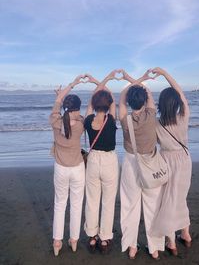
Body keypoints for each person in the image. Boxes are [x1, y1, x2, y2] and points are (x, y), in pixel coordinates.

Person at [118, 69, 165, 260]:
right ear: (145, 101)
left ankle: (132, 246)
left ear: (129, 102)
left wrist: (127, 81)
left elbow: (121, 100)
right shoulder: (151, 114)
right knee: (152, 206)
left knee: (130, 206)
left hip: (131, 162)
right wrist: (142, 78)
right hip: (150, 163)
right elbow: (149, 95)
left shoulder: (125, 119)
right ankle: (154, 248)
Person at [149, 67, 192, 256]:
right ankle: (186, 234)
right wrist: (165, 74)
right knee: (181, 197)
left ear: (161, 104)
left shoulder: (157, 123)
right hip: (184, 159)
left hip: (166, 159)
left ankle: (171, 242)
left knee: (168, 199)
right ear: (176, 103)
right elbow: (180, 93)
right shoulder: (183, 117)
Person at [83, 70, 119, 254]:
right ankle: (104, 238)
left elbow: (91, 99)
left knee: (92, 199)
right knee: (108, 201)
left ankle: (92, 236)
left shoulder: (88, 119)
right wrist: (109, 79)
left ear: (95, 104)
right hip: (109, 160)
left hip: (94, 159)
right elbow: (111, 96)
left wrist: (96, 81)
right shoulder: (111, 119)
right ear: (109, 104)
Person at [50, 76, 85, 256]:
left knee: (59, 204)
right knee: (76, 205)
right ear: (77, 109)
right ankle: (73, 240)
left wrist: (68, 89)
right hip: (77, 168)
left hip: (61, 168)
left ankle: (57, 241)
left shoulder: (55, 121)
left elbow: (58, 107)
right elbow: (76, 115)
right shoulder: (80, 124)